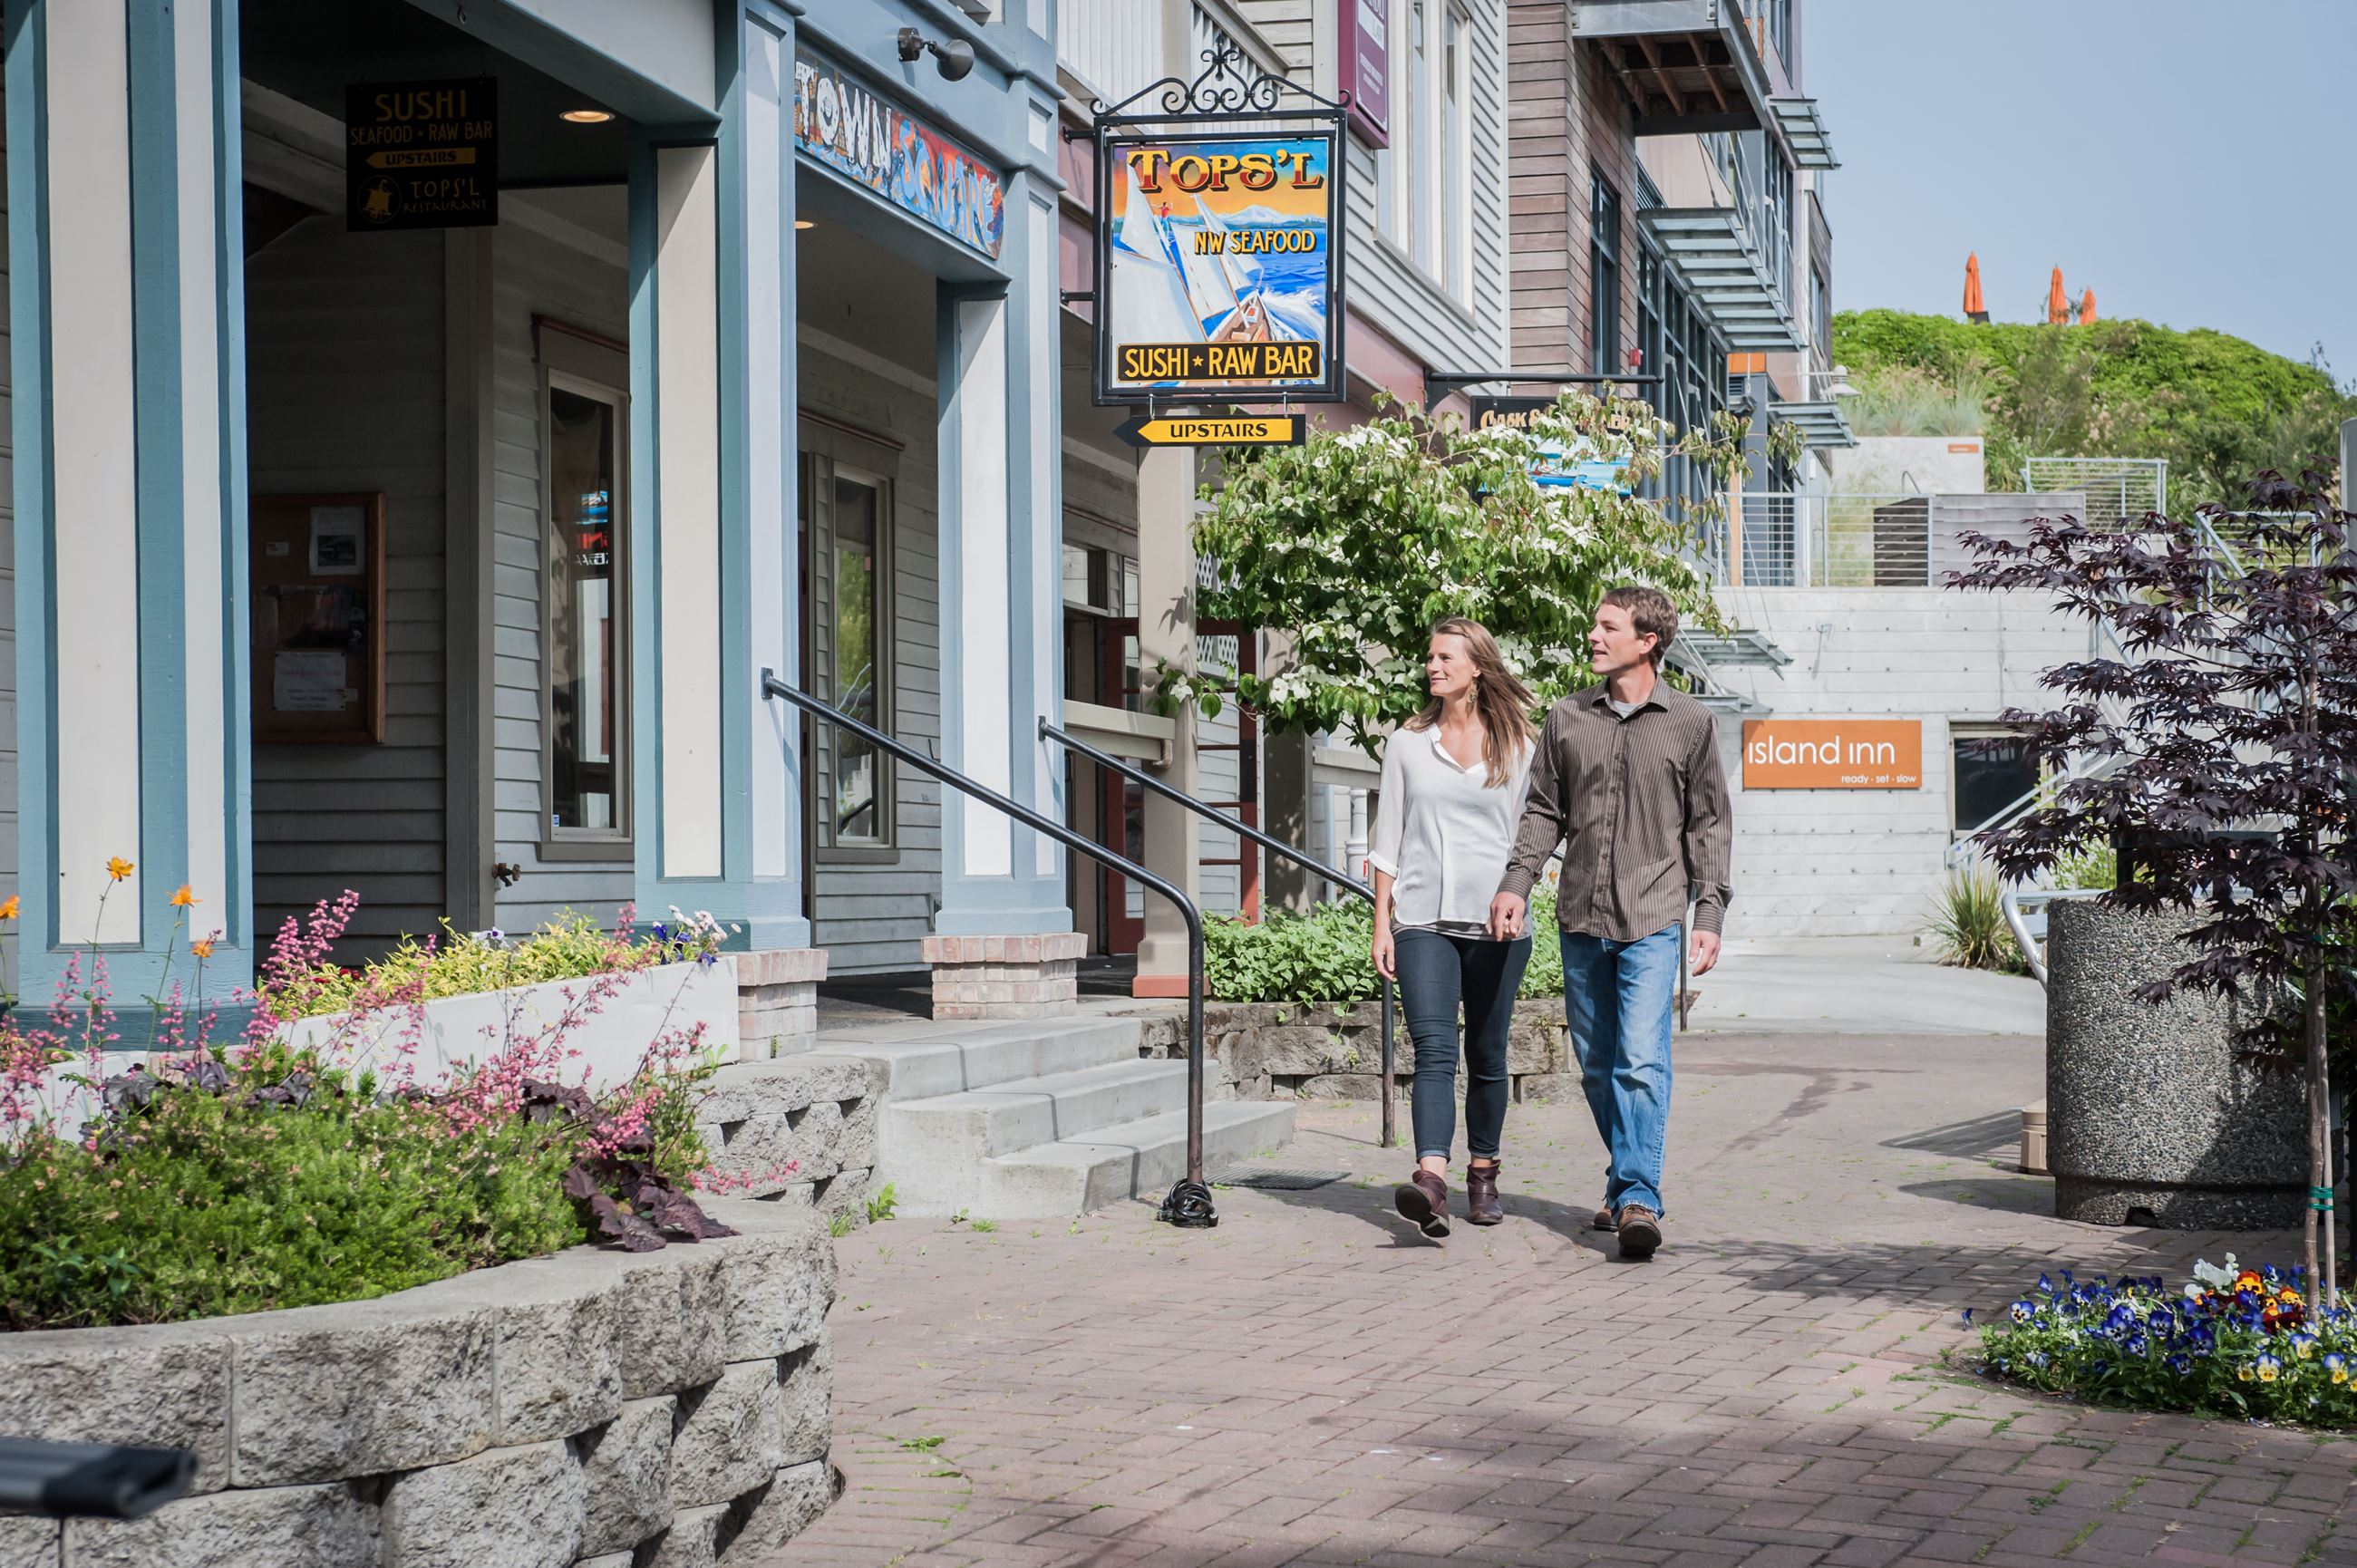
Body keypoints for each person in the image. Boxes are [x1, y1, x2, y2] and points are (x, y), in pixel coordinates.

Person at [1489, 585, 1731, 1262]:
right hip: (1582, 915)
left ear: (1648, 641)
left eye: (1606, 626)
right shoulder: (1567, 719)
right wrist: (1517, 882)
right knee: (1598, 1069)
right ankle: (1627, 1175)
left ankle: (1638, 1201)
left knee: (1642, 1062)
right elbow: (1542, 811)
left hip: (1654, 915)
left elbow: (1709, 823)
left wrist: (1708, 911)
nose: (1592, 636)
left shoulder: (1690, 723)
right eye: (1594, 625)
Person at [1369, 618, 1538, 1239]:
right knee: (1434, 1050)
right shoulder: (1408, 743)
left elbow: (1535, 833)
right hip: (1422, 920)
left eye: (1444, 658)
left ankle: (1484, 1173)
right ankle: (1431, 1181)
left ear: (1477, 667)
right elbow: (1387, 838)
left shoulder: (1521, 744)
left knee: (1487, 1054)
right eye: (1429, 658)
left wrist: (1522, 890)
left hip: (1498, 927)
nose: (1431, 667)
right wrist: (1382, 923)